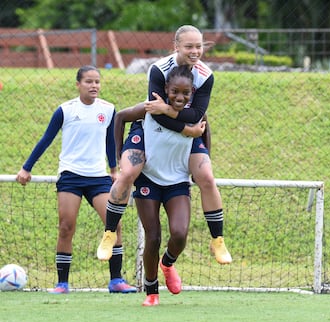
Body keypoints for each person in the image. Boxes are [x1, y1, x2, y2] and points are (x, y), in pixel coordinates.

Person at [97, 25, 232, 266]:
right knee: (127, 173)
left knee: (208, 179)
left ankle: (218, 240)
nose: (195, 51)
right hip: (154, 134)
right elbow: (154, 113)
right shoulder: (159, 70)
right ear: (176, 46)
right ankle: (109, 233)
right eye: (189, 46)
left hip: (185, 141)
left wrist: (182, 122)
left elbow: (198, 115)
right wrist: (185, 126)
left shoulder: (206, 75)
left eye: (199, 46)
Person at [16, 65, 136, 294]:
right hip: (70, 176)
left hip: (98, 178)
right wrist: (26, 168)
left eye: (97, 82)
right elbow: (46, 139)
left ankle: (116, 281)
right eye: (89, 81)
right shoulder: (65, 110)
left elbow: (111, 142)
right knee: (66, 227)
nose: (94, 86)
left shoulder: (109, 109)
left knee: (114, 225)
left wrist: (114, 169)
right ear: (78, 84)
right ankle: (62, 283)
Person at [114, 65, 206, 306]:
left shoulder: (195, 115)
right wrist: (115, 160)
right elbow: (120, 117)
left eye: (186, 93)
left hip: (177, 182)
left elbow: (205, 131)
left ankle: (168, 263)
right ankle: (151, 291)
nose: (179, 97)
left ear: (192, 92)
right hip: (149, 180)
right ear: (166, 89)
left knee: (179, 233)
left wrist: (202, 163)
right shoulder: (150, 108)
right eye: (174, 91)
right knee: (152, 237)